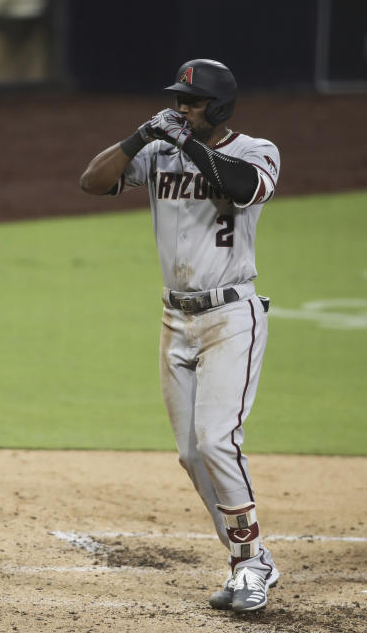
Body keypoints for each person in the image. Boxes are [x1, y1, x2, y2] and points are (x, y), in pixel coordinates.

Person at [79, 59, 281, 612]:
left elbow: (239, 188)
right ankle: (252, 559)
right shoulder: (160, 149)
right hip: (175, 320)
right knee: (194, 455)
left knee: (218, 440)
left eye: (190, 102)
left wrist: (186, 142)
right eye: (177, 100)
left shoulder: (257, 151)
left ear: (216, 108)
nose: (180, 109)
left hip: (230, 318)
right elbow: (92, 181)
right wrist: (141, 135)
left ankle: (247, 566)